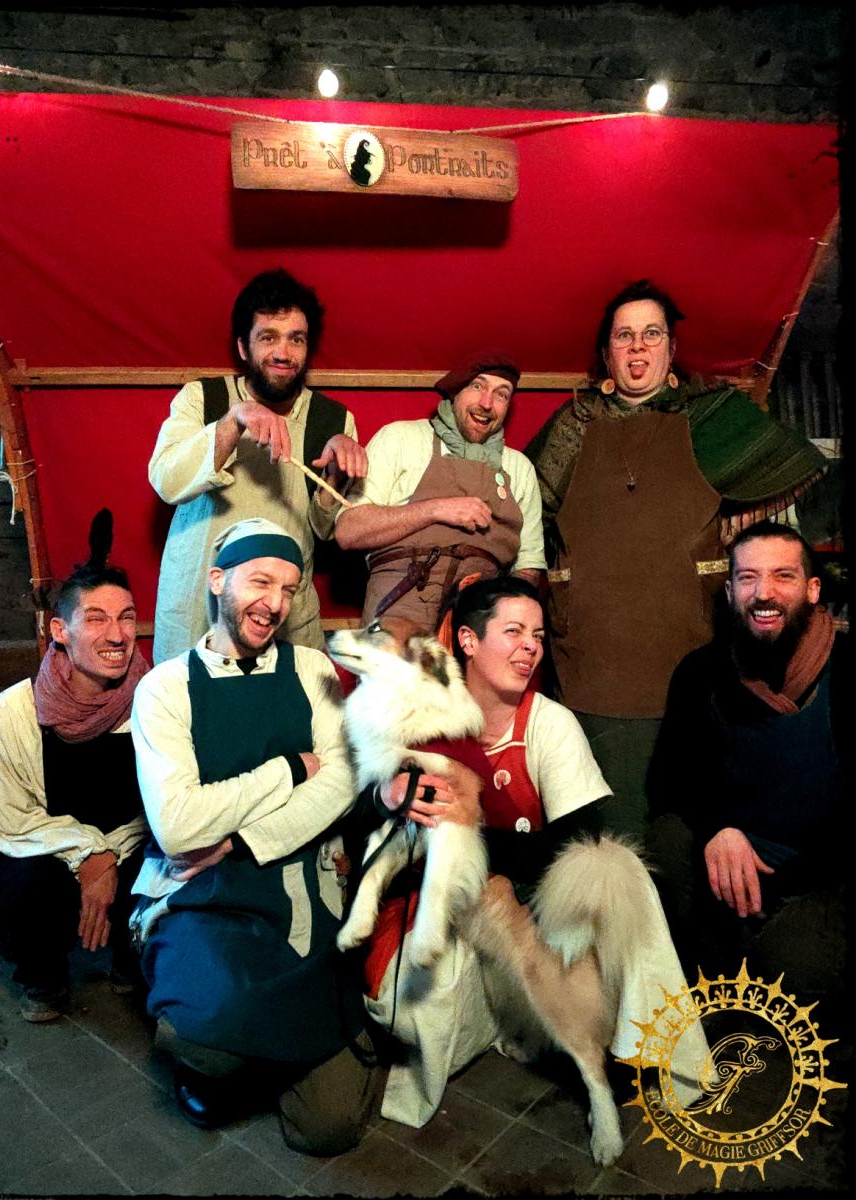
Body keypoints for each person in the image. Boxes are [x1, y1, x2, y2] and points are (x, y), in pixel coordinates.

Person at [354, 576, 700, 1128]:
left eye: (537, 636)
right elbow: (368, 815)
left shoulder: (549, 722)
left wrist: (473, 841)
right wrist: (385, 795)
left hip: (532, 903)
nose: (530, 648)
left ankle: (651, 1046)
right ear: (468, 640)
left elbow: (575, 841)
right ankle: (494, 1025)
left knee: (623, 871)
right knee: (412, 998)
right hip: (450, 903)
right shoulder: (422, 709)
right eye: (513, 632)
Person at [525, 279, 827, 840]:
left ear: (670, 348)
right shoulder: (573, 425)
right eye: (624, 336)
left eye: (651, 334)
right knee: (599, 839)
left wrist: (746, 517)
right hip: (589, 664)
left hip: (690, 659)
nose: (638, 347)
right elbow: (525, 506)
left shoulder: (710, 415)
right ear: (607, 354)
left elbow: (797, 463)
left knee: (681, 831)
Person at [130, 517, 378, 1150]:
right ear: (218, 581)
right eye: (260, 581)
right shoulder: (164, 688)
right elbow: (178, 825)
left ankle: (261, 1057)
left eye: (289, 588)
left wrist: (239, 839)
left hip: (298, 889)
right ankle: (216, 1063)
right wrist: (289, 770)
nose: (275, 602)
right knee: (208, 1029)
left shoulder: (312, 668)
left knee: (329, 1127)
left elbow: (344, 779)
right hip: (204, 892)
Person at [647, 521, 846, 1003]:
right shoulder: (702, 671)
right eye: (748, 578)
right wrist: (718, 828)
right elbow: (669, 779)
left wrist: (786, 884)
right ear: (731, 591)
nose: (764, 594)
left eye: (782, 576)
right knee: (668, 838)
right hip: (733, 863)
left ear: (812, 589)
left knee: (789, 963)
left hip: (824, 873)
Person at [149, 267, 367, 663]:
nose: (283, 353)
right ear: (243, 348)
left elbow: (323, 530)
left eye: (296, 339)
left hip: (284, 616)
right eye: (268, 337)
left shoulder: (332, 419)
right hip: (200, 610)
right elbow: (167, 480)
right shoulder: (204, 398)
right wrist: (233, 421)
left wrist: (336, 477)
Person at [0, 511, 149, 1022]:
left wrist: (109, 857)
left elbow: (164, 808)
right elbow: (7, 820)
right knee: (26, 881)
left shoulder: (156, 700)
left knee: (167, 866)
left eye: (126, 617)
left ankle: (133, 958)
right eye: (96, 618)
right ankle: (43, 976)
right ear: (60, 630)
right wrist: (87, 855)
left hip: (129, 845)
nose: (117, 635)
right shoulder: (14, 709)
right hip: (52, 851)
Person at [335, 353, 545, 630]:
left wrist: (501, 621)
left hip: (477, 626)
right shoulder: (401, 438)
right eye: (477, 386)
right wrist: (437, 509)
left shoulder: (519, 468)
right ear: (455, 391)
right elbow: (348, 531)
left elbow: (529, 567)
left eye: (501, 394)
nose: (486, 403)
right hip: (396, 616)